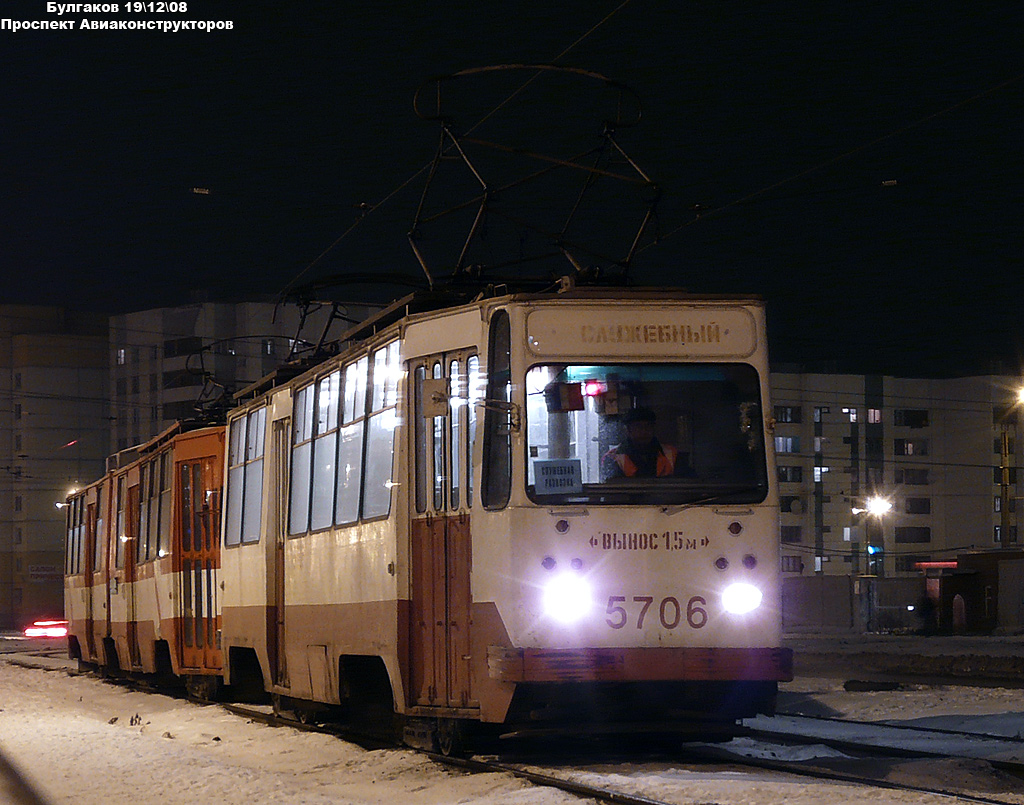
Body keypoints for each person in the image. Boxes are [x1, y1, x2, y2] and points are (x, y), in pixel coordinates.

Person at [602, 407, 693, 479]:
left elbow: (686, 483)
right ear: (628, 430)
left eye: (648, 426)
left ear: (654, 429)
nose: (644, 431)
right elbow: (612, 491)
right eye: (638, 427)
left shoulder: (672, 454)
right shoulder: (612, 458)